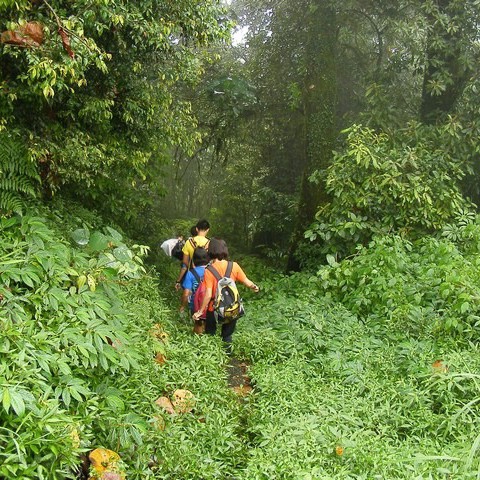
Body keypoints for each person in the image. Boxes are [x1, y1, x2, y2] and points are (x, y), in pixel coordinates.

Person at [192, 238, 259, 352]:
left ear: (211, 250)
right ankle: (227, 358)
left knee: (210, 335)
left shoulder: (209, 270)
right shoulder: (234, 266)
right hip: (232, 306)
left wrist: (200, 311)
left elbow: (208, 294)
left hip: (213, 308)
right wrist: (255, 287)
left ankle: (212, 359)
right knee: (227, 336)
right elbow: (247, 282)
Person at [175, 219, 210, 290]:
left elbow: (185, 261)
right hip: (207, 274)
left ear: (197, 229)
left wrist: (193, 267)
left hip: (192, 272)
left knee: (190, 294)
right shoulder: (210, 243)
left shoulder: (189, 242)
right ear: (207, 230)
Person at [179, 247, 209, 316]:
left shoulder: (191, 273)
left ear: (193, 260)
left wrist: (182, 307)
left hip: (195, 306)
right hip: (209, 306)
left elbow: (186, 294)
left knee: (197, 325)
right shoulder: (212, 271)